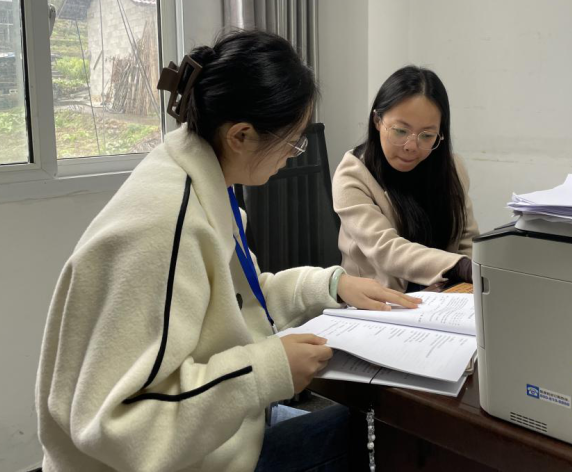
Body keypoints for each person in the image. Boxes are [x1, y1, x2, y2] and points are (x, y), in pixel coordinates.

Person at [35, 30, 420, 472]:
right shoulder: (166, 227)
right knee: (380, 439)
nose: (294, 155)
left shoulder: (202, 181)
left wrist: (330, 285)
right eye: (292, 141)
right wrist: (265, 372)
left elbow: (236, 301)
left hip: (221, 439)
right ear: (241, 135)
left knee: (366, 430)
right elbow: (122, 425)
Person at [332, 65, 479, 292]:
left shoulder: (451, 168)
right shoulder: (352, 175)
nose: (411, 146)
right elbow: (386, 250)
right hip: (378, 303)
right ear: (377, 120)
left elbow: (467, 240)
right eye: (400, 131)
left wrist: (462, 282)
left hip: (443, 295)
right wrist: (459, 267)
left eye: (427, 135)